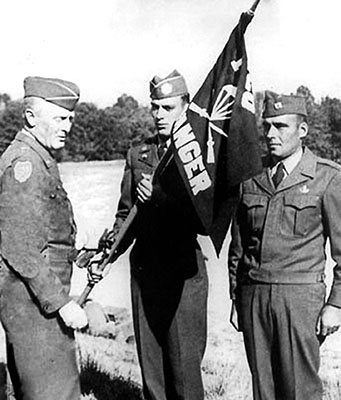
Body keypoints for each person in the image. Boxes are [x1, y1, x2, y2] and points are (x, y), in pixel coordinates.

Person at [228, 90, 341, 400]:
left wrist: (335, 305)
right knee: (264, 390)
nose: (270, 135)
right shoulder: (251, 176)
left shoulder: (325, 177)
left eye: (281, 127)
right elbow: (238, 247)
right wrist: (236, 299)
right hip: (255, 295)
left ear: (302, 130)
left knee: (299, 390)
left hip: (300, 298)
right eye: (267, 126)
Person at [109, 70, 208, 400]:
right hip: (144, 272)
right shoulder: (139, 155)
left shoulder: (198, 156)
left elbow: (204, 219)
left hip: (182, 273)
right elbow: (126, 216)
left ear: (185, 106)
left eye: (167, 108)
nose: (159, 115)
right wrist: (107, 253)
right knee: (152, 371)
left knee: (183, 371)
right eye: (155, 107)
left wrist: (160, 195)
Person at [0, 76, 88, 400]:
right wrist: (62, 304)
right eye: (60, 118)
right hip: (36, 308)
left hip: (37, 304)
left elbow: (44, 235)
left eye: (71, 119)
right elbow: (19, 245)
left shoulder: (38, 157)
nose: (67, 126)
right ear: (31, 117)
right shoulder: (25, 164)